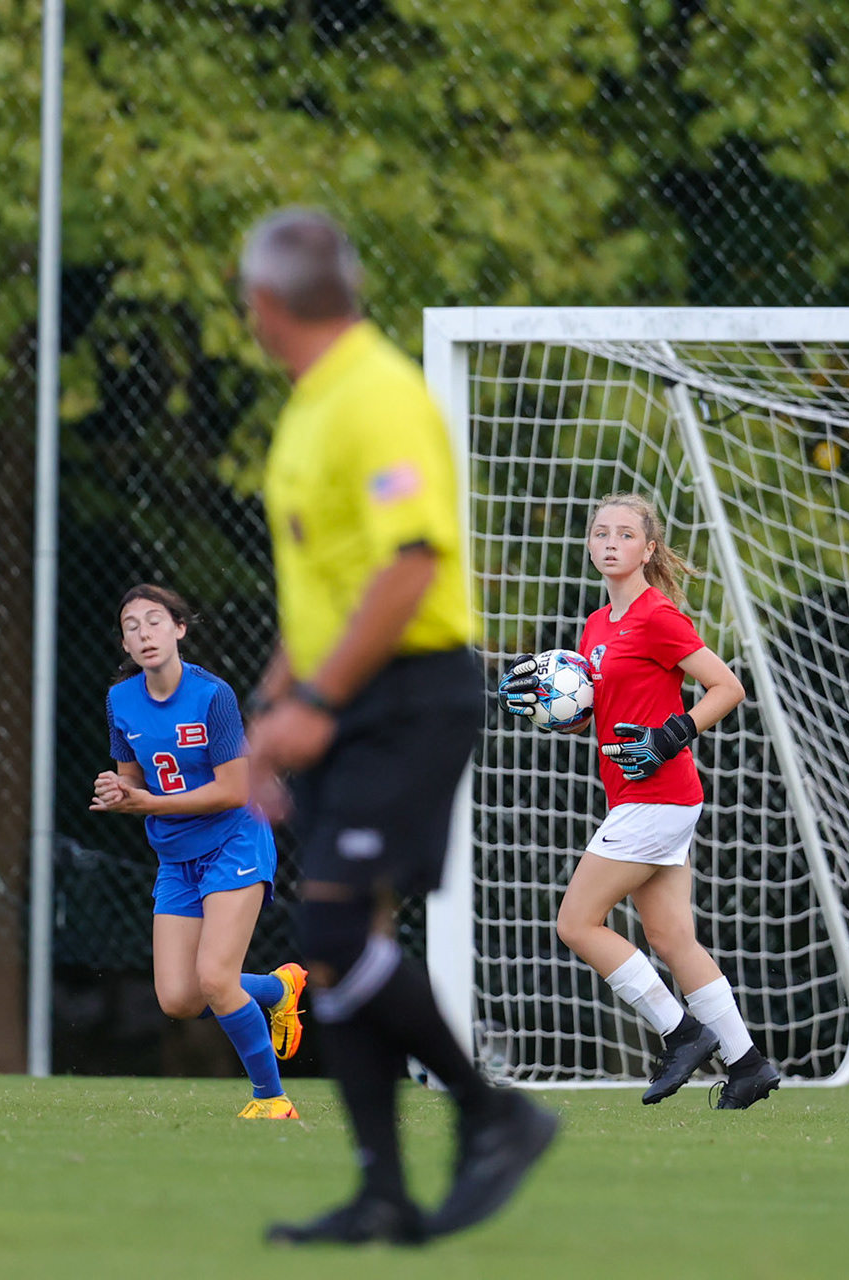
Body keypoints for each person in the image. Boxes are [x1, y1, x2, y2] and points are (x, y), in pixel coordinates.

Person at [239, 207, 559, 1246]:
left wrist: (319, 702)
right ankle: (383, 1187)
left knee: (332, 927)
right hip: (347, 693)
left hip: (410, 692)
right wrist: (273, 707)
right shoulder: (311, 404)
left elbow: (410, 561)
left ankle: (490, 1110)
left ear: (266, 304)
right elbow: (323, 583)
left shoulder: (376, 394)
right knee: (337, 949)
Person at [498, 493, 779, 1109]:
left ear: (648, 550)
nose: (610, 542)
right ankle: (750, 1063)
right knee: (672, 937)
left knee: (575, 923)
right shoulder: (595, 627)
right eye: (600, 532)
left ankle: (682, 1033)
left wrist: (672, 734)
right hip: (641, 796)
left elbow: (724, 686)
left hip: (659, 795)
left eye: (625, 534)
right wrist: (568, 718)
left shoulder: (658, 615)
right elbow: (610, 709)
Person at [90, 584, 307, 1119]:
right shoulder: (121, 701)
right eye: (132, 626)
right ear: (124, 644)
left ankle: (272, 1099)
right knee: (180, 999)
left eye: (155, 621)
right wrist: (119, 793)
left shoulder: (214, 696)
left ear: (180, 629)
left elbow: (236, 790)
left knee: (214, 978)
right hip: (176, 857)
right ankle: (278, 991)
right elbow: (131, 781)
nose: (144, 633)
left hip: (235, 841)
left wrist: (145, 802)